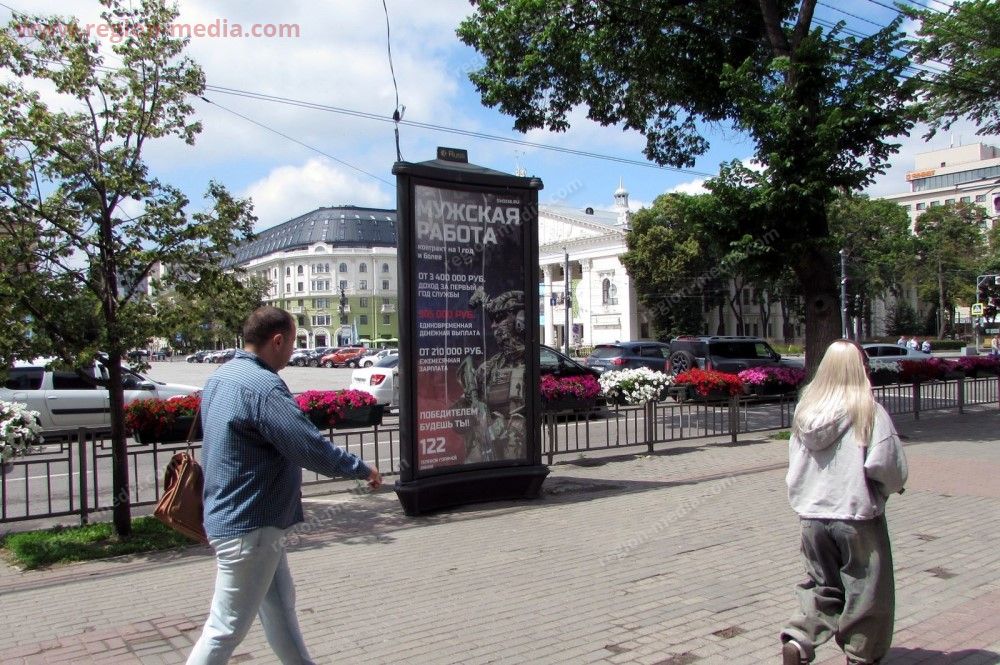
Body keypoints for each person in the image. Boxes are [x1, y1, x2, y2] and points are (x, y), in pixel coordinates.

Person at [187, 306, 382, 665]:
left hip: (246, 521)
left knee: (280, 609)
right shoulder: (263, 387)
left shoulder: (221, 376)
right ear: (277, 341)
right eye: (292, 343)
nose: (292, 353)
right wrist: (359, 468)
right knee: (224, 629)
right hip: (251, 525)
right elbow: (307, 446)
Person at [780, 340, 907, 665]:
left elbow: (794, 466)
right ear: (859, 369)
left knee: (822, 587)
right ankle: (860, 654)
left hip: (812, 516)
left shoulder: (805, 412)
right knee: (866, 591)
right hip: (855, 516)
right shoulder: (868, 410)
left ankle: (799, 639)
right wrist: (891, 488)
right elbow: (886, 465)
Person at [456, 288, 527, 463]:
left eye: (499, 318)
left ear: (519, 320)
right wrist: (469, 410)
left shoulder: (529, 363)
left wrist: (503, 427)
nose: (494, 326)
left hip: (515, 456)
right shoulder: (488, 368)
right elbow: (459, 415)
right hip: (487, 452)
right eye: (492, 320)